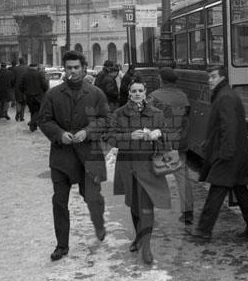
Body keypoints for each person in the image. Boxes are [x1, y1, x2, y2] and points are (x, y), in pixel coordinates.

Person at [38, 50, 109, 261]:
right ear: (64, 69)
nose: (73, 71)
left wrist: (87, 131)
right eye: (69, 67)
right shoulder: (53, 94)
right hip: (62, 158)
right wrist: (59, 134)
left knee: (92, 198)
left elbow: (105, 119)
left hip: (89, 156)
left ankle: (99, 223)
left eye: (76, 67)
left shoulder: (96, 93)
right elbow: (44, 120)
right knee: (59, 202)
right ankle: (62, 245)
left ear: (84, 68)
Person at [186, 65, 248, 241]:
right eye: (209, 77)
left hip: (228, 154)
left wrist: (225, 153)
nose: (209, 80)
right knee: (241, 191)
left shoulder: (225, 97)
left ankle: (203, 230)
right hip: (234, 153)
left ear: (222, 77)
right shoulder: (226, 94)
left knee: (216, 192)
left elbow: (229, 127)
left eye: (213, 76)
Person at [108, 79, 170, 264]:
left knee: (147, 205)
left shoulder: (157, 113)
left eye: (140, 91)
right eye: (133, 91)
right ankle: (138, 237)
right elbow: (110, 137)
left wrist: (158, 134)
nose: (137, 94)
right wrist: (130, 136)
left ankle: (147, 248)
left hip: (149, 165)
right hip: (128, 165)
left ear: (145, 92)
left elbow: (167, 137)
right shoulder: (119, 113)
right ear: (129, 93)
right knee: (135, 205)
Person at [146, 67, 193, 224]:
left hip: (161, 143)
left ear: (161, 80)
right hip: (179, 142)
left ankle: (147, 209)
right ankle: (187, 212)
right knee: (182, 177)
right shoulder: (183, 97)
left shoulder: (154, 97)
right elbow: (186, 121)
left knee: (151, 175)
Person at [20, 63, 49, 132]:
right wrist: (43, 91)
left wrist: (25, 92)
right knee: (37, 111)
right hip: (38, 96)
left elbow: (20, 86)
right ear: (36, 67)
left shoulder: (24, 75)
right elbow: (45, 85)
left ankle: (33, 127)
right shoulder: (39, 74)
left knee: (32, 111)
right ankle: (32, 123)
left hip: (28, 96)